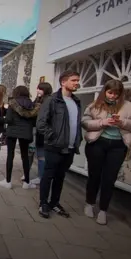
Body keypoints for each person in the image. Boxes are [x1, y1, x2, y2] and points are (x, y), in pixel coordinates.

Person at [82, 79, 131, 225]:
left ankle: (103, 210)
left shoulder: (129, 106)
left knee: (109, 179)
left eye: (116, 94)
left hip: (118, 146)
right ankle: (89, 204)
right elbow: (85, 122)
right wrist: (102, 123)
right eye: (110, 93)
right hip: (98, 143)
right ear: (105, 91)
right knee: (94, 176)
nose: (112, 96)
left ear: (121, 94)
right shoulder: (94, 105)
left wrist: (121, 122)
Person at [36, 70, 82, 219]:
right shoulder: (52, 100)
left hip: (69, 148)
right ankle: (43, 203)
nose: (77, 83)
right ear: (63, 82)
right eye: (73, 80)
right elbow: (41, 123)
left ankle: (54, 202)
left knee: (60, 177)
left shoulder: (76, 101)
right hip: (54, 146)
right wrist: (53, 137)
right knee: (48, 175)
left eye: (77, 80)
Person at [0, 86, 40, 190]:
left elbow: (8, 119)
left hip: (12, 132)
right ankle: (27, 182)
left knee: (10, 155)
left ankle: (8, 181)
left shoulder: (12, 103)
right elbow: (34, 122)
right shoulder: (32, 104)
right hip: (26, 133)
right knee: (25, 157)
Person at [22, 82, 53, 184]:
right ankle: (26, 173)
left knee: (41, 156)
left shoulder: (49, 101)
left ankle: (41, 177)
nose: (38, 91)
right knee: (30, 153)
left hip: (42, 133)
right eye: (37, 88)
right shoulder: (37, 100)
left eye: (40, 89)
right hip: (33, 130)